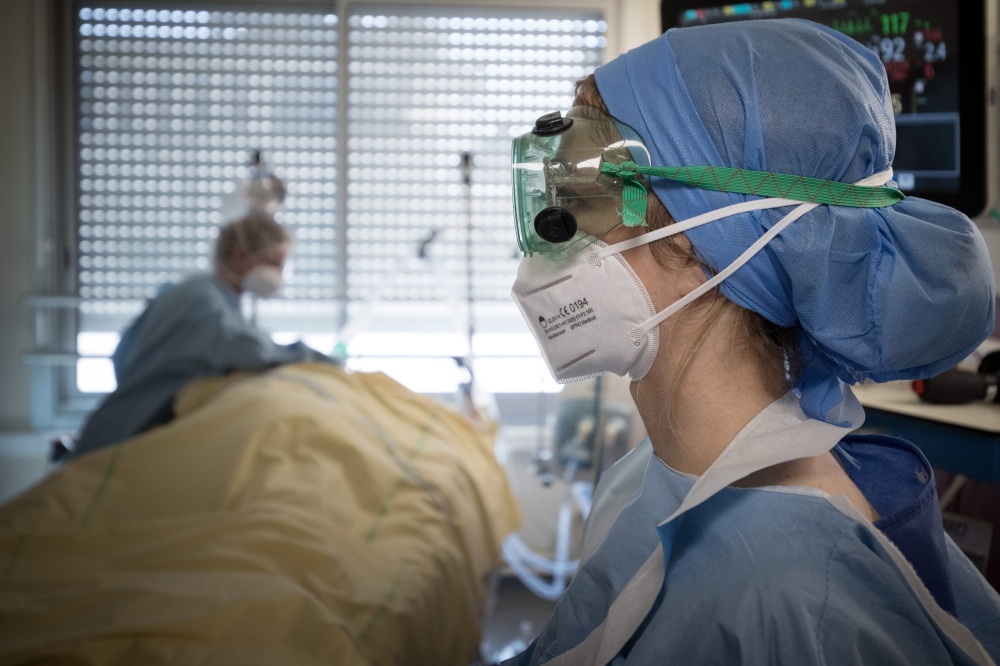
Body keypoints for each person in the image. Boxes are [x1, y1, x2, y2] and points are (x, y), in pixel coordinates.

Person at [507, 19, 1000, 665]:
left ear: (705, 233)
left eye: (587, 199)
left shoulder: (801, 600)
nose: (552, 239)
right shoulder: (650, 477)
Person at [74, 212, 336, 457]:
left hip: (123, 423)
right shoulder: (202, 301)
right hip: (123, 435)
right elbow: (245, 349)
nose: (278, 275)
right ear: (242, 254)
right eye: (274, 263)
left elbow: (121, 355)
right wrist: (318, 360)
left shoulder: (200, 295)